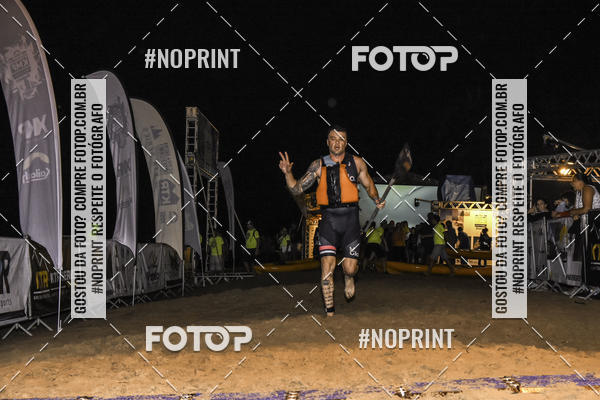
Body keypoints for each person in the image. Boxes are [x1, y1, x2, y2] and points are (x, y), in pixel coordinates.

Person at [278, 125, 388, 317]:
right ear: (327, 142)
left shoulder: (357, 163)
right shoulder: (317, 165)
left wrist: (377, 199)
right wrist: (288, 173)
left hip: (350, 222)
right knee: (326, 270)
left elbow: (369, 185)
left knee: (350, 269)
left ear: (346, 143)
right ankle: (330, 313)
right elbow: (296, 189)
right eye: (333, 139)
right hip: (328, 221)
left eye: (341, 139)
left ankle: (349, 277)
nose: (337, 143)